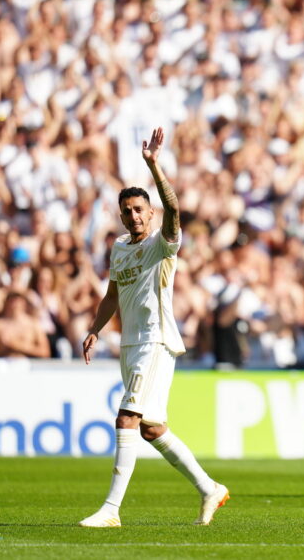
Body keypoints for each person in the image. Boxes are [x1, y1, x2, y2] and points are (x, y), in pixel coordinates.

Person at [79, 127, 229, 528]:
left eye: (139, 210)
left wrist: (154, 166)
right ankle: (209, 488)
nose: (133, 216)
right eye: (127, 210)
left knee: (126, 417)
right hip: (131, 343)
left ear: (150, 212)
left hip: (156, 341)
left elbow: (176, 211)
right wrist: (95, 328)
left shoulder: (162, 243)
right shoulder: (120, 248)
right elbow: (112, 294)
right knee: (151, 428)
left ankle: (111, 511)